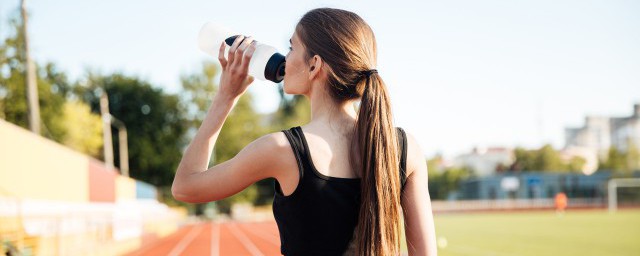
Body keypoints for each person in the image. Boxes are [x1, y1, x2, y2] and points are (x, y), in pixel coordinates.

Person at [172, 8, 437, 256]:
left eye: (291, 47)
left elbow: (185, 188)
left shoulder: (282, 150)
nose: (285, 58)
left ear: (314, 66)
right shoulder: (405, 148)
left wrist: (225, 97)